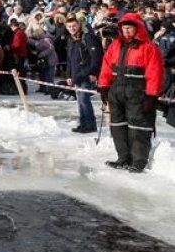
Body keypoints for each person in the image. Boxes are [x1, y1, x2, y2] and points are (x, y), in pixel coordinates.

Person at [98, 13, 164, 173]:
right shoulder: (115, 45)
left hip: (137, 93)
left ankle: (138, 161)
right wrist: (104, 86)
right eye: (124, 28)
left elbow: (155, 72)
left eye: (129, 28)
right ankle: (123, 158)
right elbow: (106, 66)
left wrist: (151, 95)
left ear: (137, 28)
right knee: (118, 126)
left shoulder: (148, 47)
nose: (126, 31)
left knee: (138, 127)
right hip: (117, 91)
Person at [65, 15, 102, 133]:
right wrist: (69, 75)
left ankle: (90, 125)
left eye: (74, 26)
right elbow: (70, 60)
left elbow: (96, 57)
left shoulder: (88, 38)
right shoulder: (71, 40)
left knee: (84, 100)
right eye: (69, 26)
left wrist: (94, 73)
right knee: (80, 101)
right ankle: (83, 123)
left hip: (87, 74)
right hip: (76, 76)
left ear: (79, 26)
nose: (72, 28)